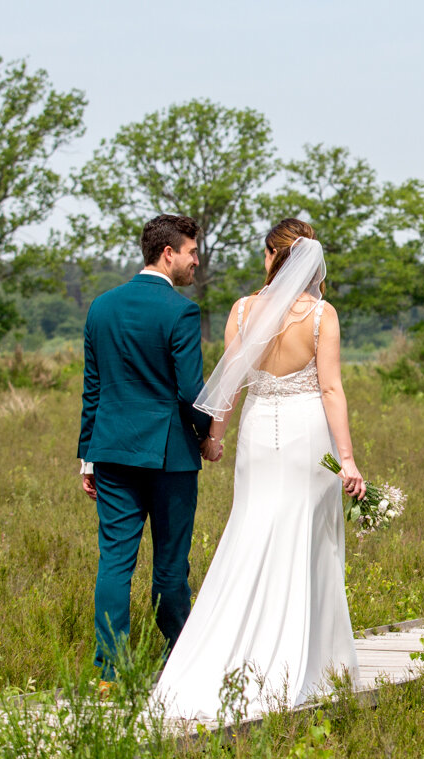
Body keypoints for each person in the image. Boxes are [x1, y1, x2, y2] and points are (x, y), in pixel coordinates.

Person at [150, 219, 363, 719]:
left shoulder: (244, 310)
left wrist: (214, 439)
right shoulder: (320, 315)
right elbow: (331, 389)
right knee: (308, 537)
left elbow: (230, 383)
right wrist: (347, 459)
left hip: (257, 429)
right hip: (307, 436)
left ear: (274, 255)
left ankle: (229, 648)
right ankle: (311, 662)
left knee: (250, 529)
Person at [76, 214, 220, 682]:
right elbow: (189, 391)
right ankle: (181, 654)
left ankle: (109, 672)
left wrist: (87, 455)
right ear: (168, 254)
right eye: (192, 252)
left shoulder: (101, 307)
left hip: (112, 452)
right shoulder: (180, 311)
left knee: (114, 562)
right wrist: (205, 435)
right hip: (169, 457)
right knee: (170, 565)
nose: (197, 261)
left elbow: (92, 389)